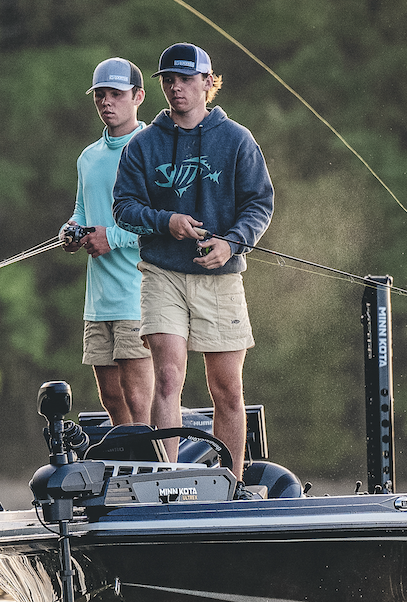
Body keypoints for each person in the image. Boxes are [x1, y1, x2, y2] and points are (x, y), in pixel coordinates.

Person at [112, 42, 274, 488]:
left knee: (228, 389)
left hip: (220, 278)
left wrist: (232, 244)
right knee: (167, 379)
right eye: (168, 80)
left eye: (185, 79)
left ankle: (231, 487)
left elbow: (260, 203)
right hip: (161, 274)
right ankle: (169, 483)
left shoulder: (237, 139)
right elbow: (123, 208)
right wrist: (166, 221)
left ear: (207, 82)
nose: (176, 88)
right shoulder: (143, 145)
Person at [63, 57, 154, 427]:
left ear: (138, 97)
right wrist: (71, 230)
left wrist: (111, 238)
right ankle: (131, 461)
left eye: (116, 94)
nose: (106, 102)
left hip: (138, 296)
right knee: (112, 398)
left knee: (139, 398)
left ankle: (154, 463)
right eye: (100, 95)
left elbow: (162, 223)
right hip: (98, 302)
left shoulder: (152, 150)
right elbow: (82, 210)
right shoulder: (88, 157)